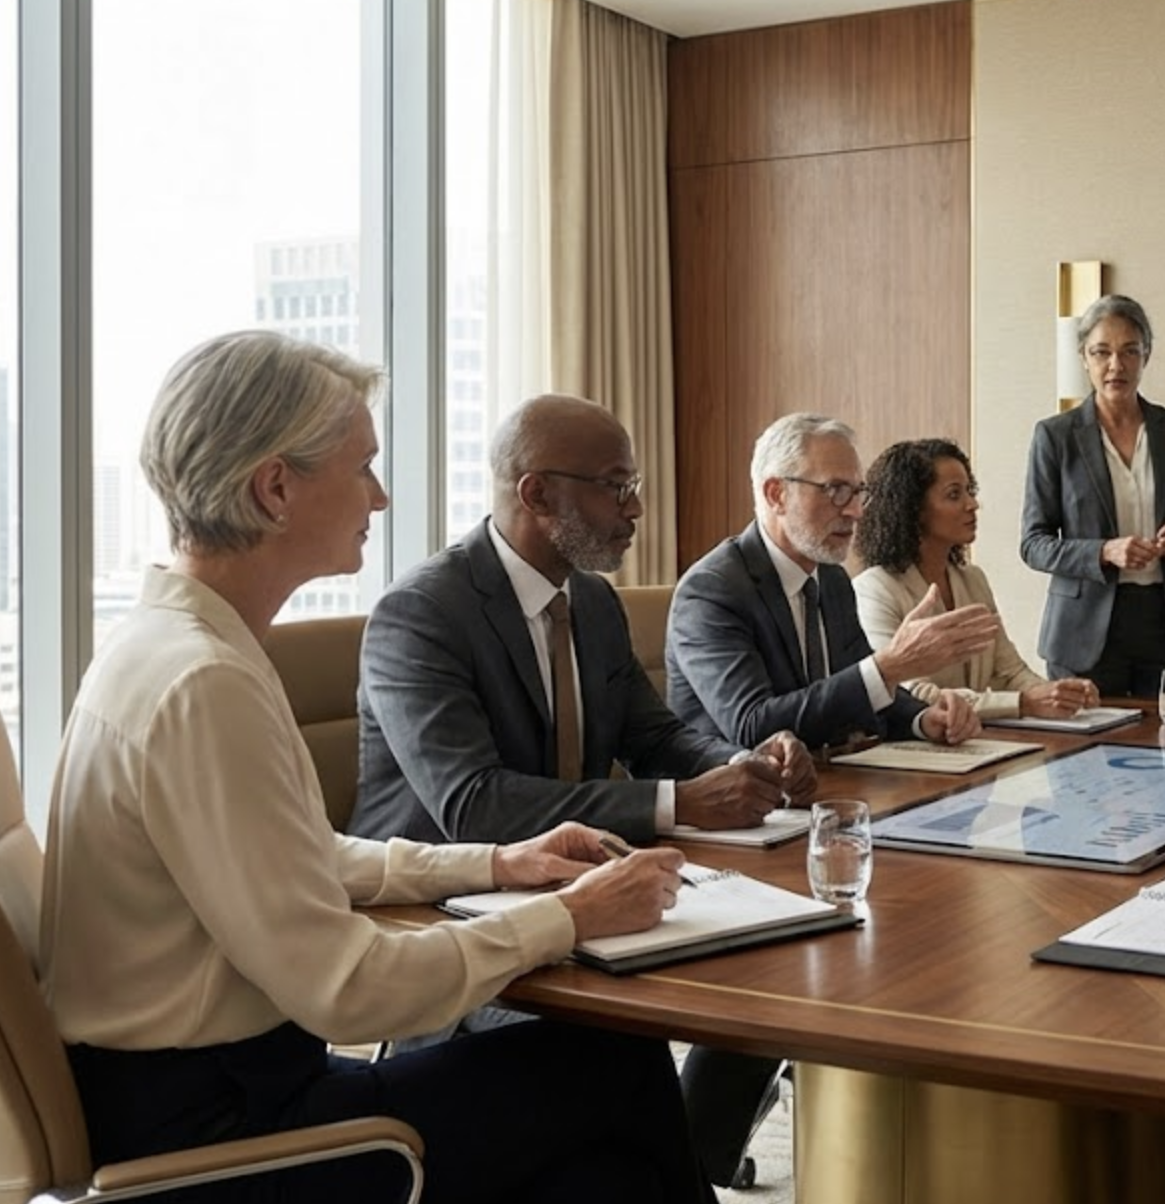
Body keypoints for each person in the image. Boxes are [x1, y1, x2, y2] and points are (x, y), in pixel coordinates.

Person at [39, 331, 713, 1204]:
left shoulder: (169, 648)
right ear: (276, 487)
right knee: (612, 1068)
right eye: (363, 468)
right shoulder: (204, 682)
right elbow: (346, 989)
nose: (383, 496)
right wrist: (565, 919)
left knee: (603, 1170)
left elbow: (298, 856)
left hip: (199, 1095)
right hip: (225, 1138)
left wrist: (500, 863)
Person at [352, 394, 814, 1191]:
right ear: (535, 494)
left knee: (763, 979)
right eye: (615, 486)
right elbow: (473, 804)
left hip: (570, 892)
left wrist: (744, 765)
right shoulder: (422, 612)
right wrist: (676, 804)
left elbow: (655, 737)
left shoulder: (590, 602)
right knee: (618, 1055)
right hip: (442, 919)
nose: (636, 508)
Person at [666, 413, 996, 751]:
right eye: (836, 490)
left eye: (857, 492)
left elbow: (855, 691)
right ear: (777, 494)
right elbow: (752, 726)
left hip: (826, 780)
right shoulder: (712, 591)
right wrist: (889, 666)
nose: (855, 511)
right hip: (734, 792)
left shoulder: (831, 578)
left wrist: (922, 719)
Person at [1019, 294, 1165, 697]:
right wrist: (1104, 551)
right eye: (1101, 352)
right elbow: (1033, 544)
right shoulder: (1054, 436)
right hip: (1083, 631)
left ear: (1147, 355)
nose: (1116, 365)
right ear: (1084, 357)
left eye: (1130, 351)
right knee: (1081, 757)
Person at [852, 437, 1099, 720]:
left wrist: (1058, 694)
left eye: (970, 491)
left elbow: (1011, 672)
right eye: (954, 495)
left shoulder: (973, 579)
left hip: (979, 741)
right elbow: (912, 693)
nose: (973, 504)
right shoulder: (874, 589)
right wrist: (1022, 703)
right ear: (913, 508)